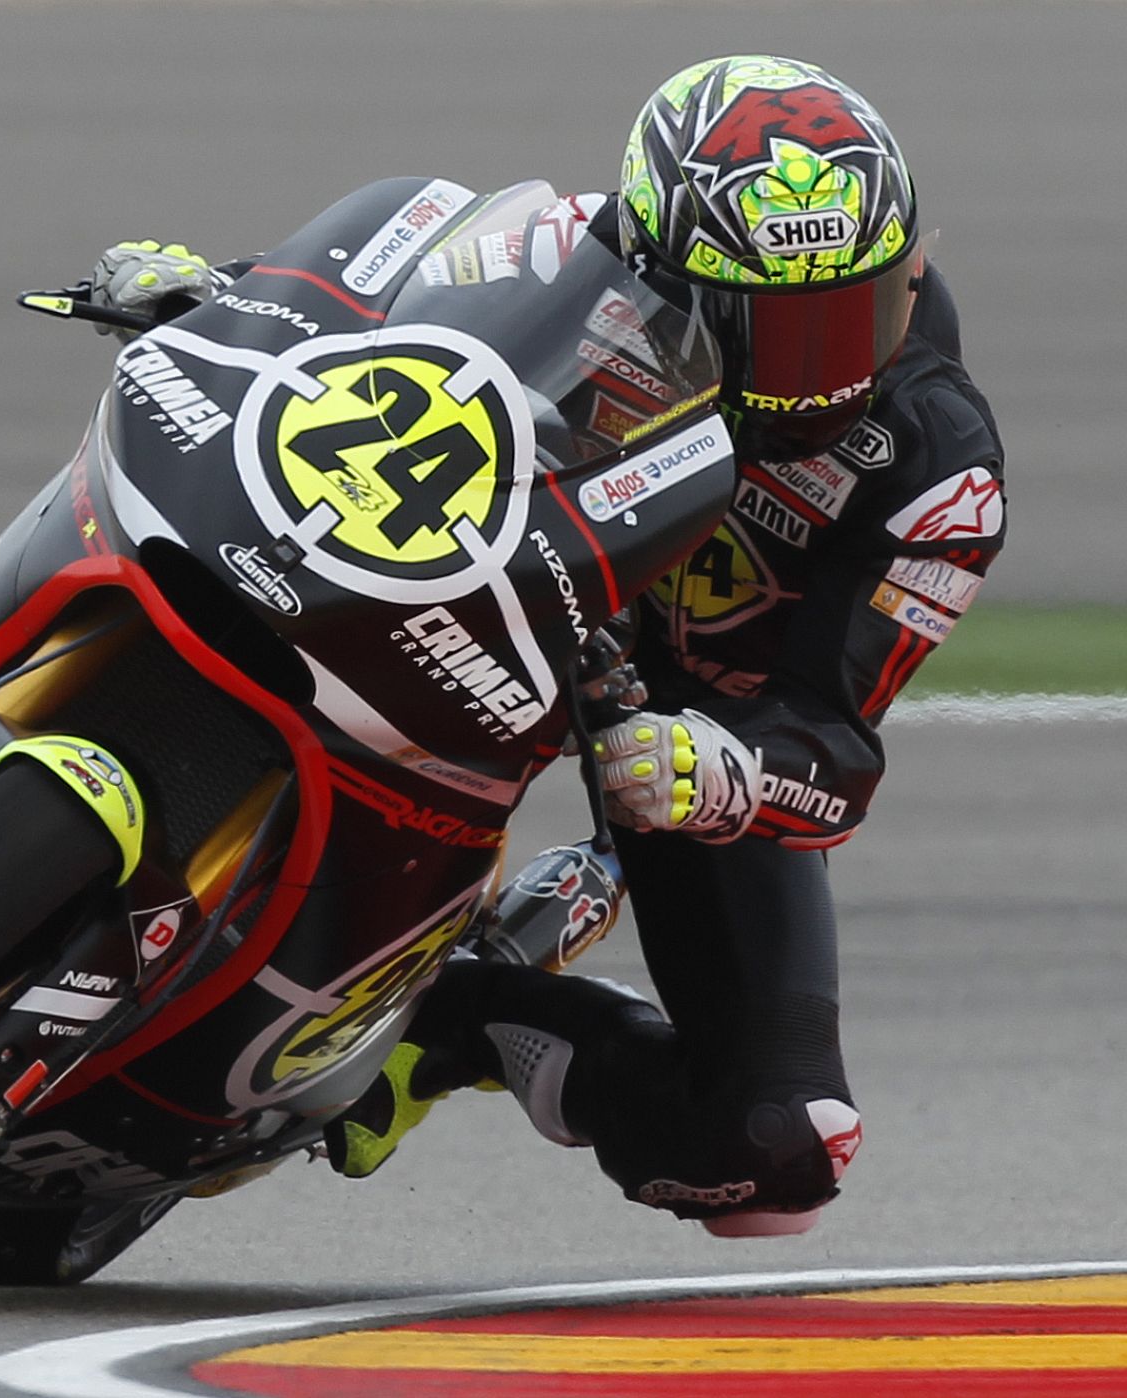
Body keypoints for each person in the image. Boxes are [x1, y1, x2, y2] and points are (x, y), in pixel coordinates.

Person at [86, 54, 1006, 1236]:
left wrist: (725, 772)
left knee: (777, 1156)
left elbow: (836, 746)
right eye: (772, 327)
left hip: (674, 741)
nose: (819, 370)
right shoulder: (555, 252)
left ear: (912, 264)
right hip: (477, 596)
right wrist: (220, 293)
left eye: (851, 314)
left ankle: (457, 1021)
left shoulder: (938, 470)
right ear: (661, 261)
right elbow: (363, 313)